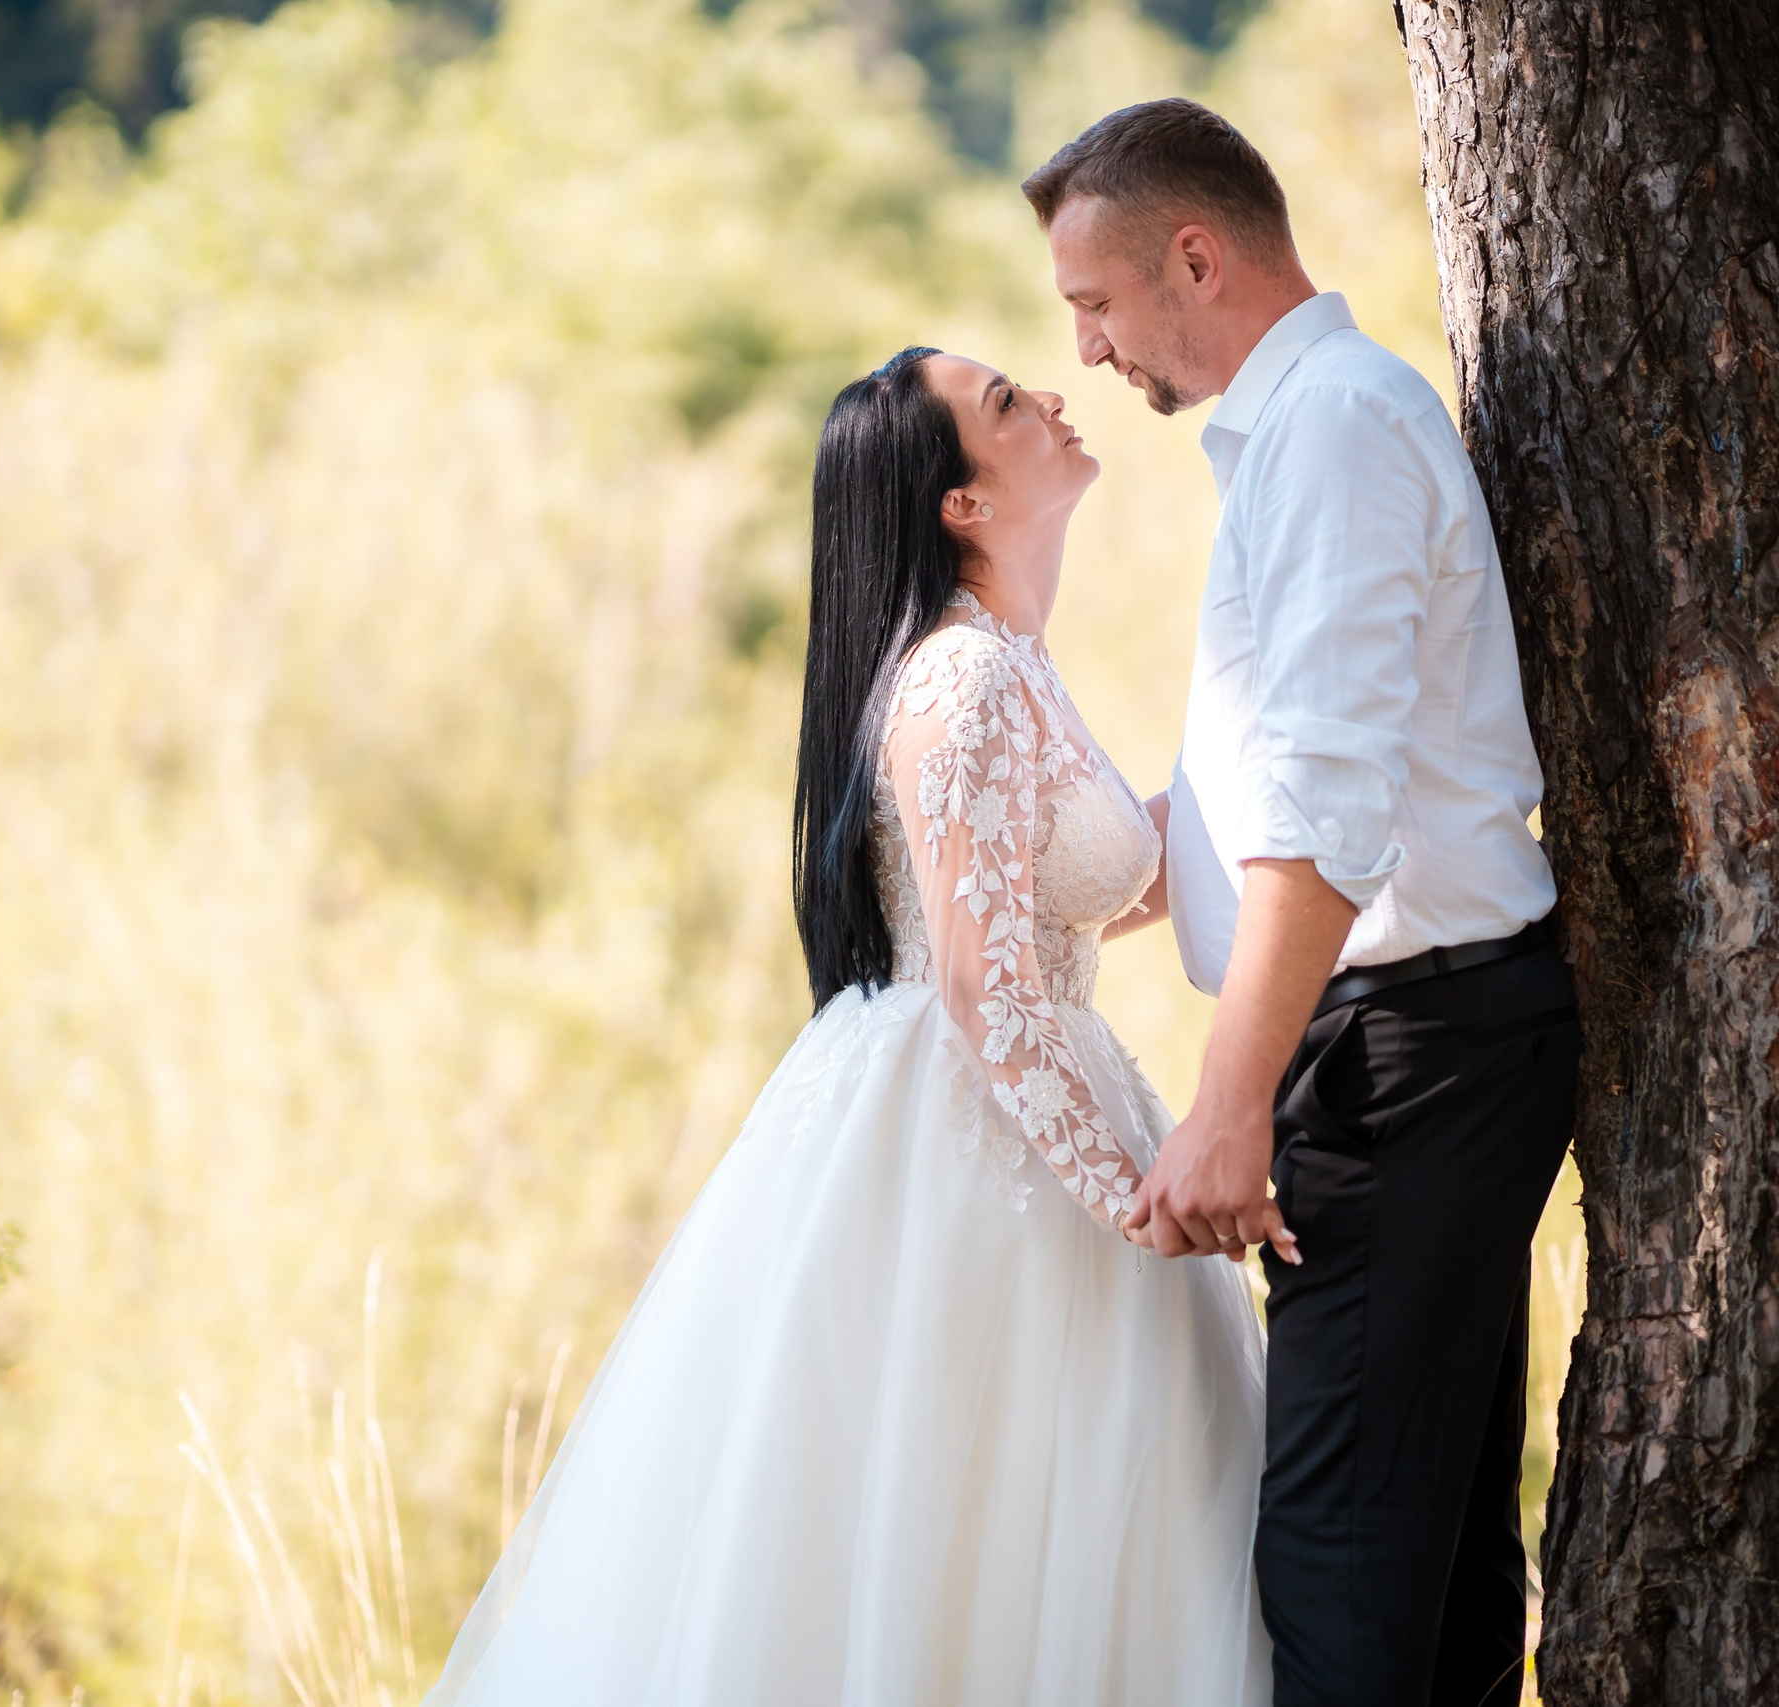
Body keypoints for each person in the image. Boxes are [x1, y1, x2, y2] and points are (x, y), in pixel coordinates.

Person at [419, 346, 1276, 1705]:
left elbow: (1059, 907)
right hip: (980, 1151)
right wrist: (1138, 1200)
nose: (1054, 398)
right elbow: (988, 985)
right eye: (1007, 405)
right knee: (958, 1537)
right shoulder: (961, 683)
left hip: (1040, 1090)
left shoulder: (1008, 664)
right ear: (963, 505)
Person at [1022, 98, 1581, 1707]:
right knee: (1433, 1569)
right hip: (1423, 1044)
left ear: (1192, 256)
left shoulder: (1332, 430)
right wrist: (1024, 891)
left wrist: (1227, 1106)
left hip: (1407, 1059)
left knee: (1336, 1575)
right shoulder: (1307, 432)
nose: (1092, 349)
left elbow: (1328, 819)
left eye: (1097, 305)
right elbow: (1257, 795)